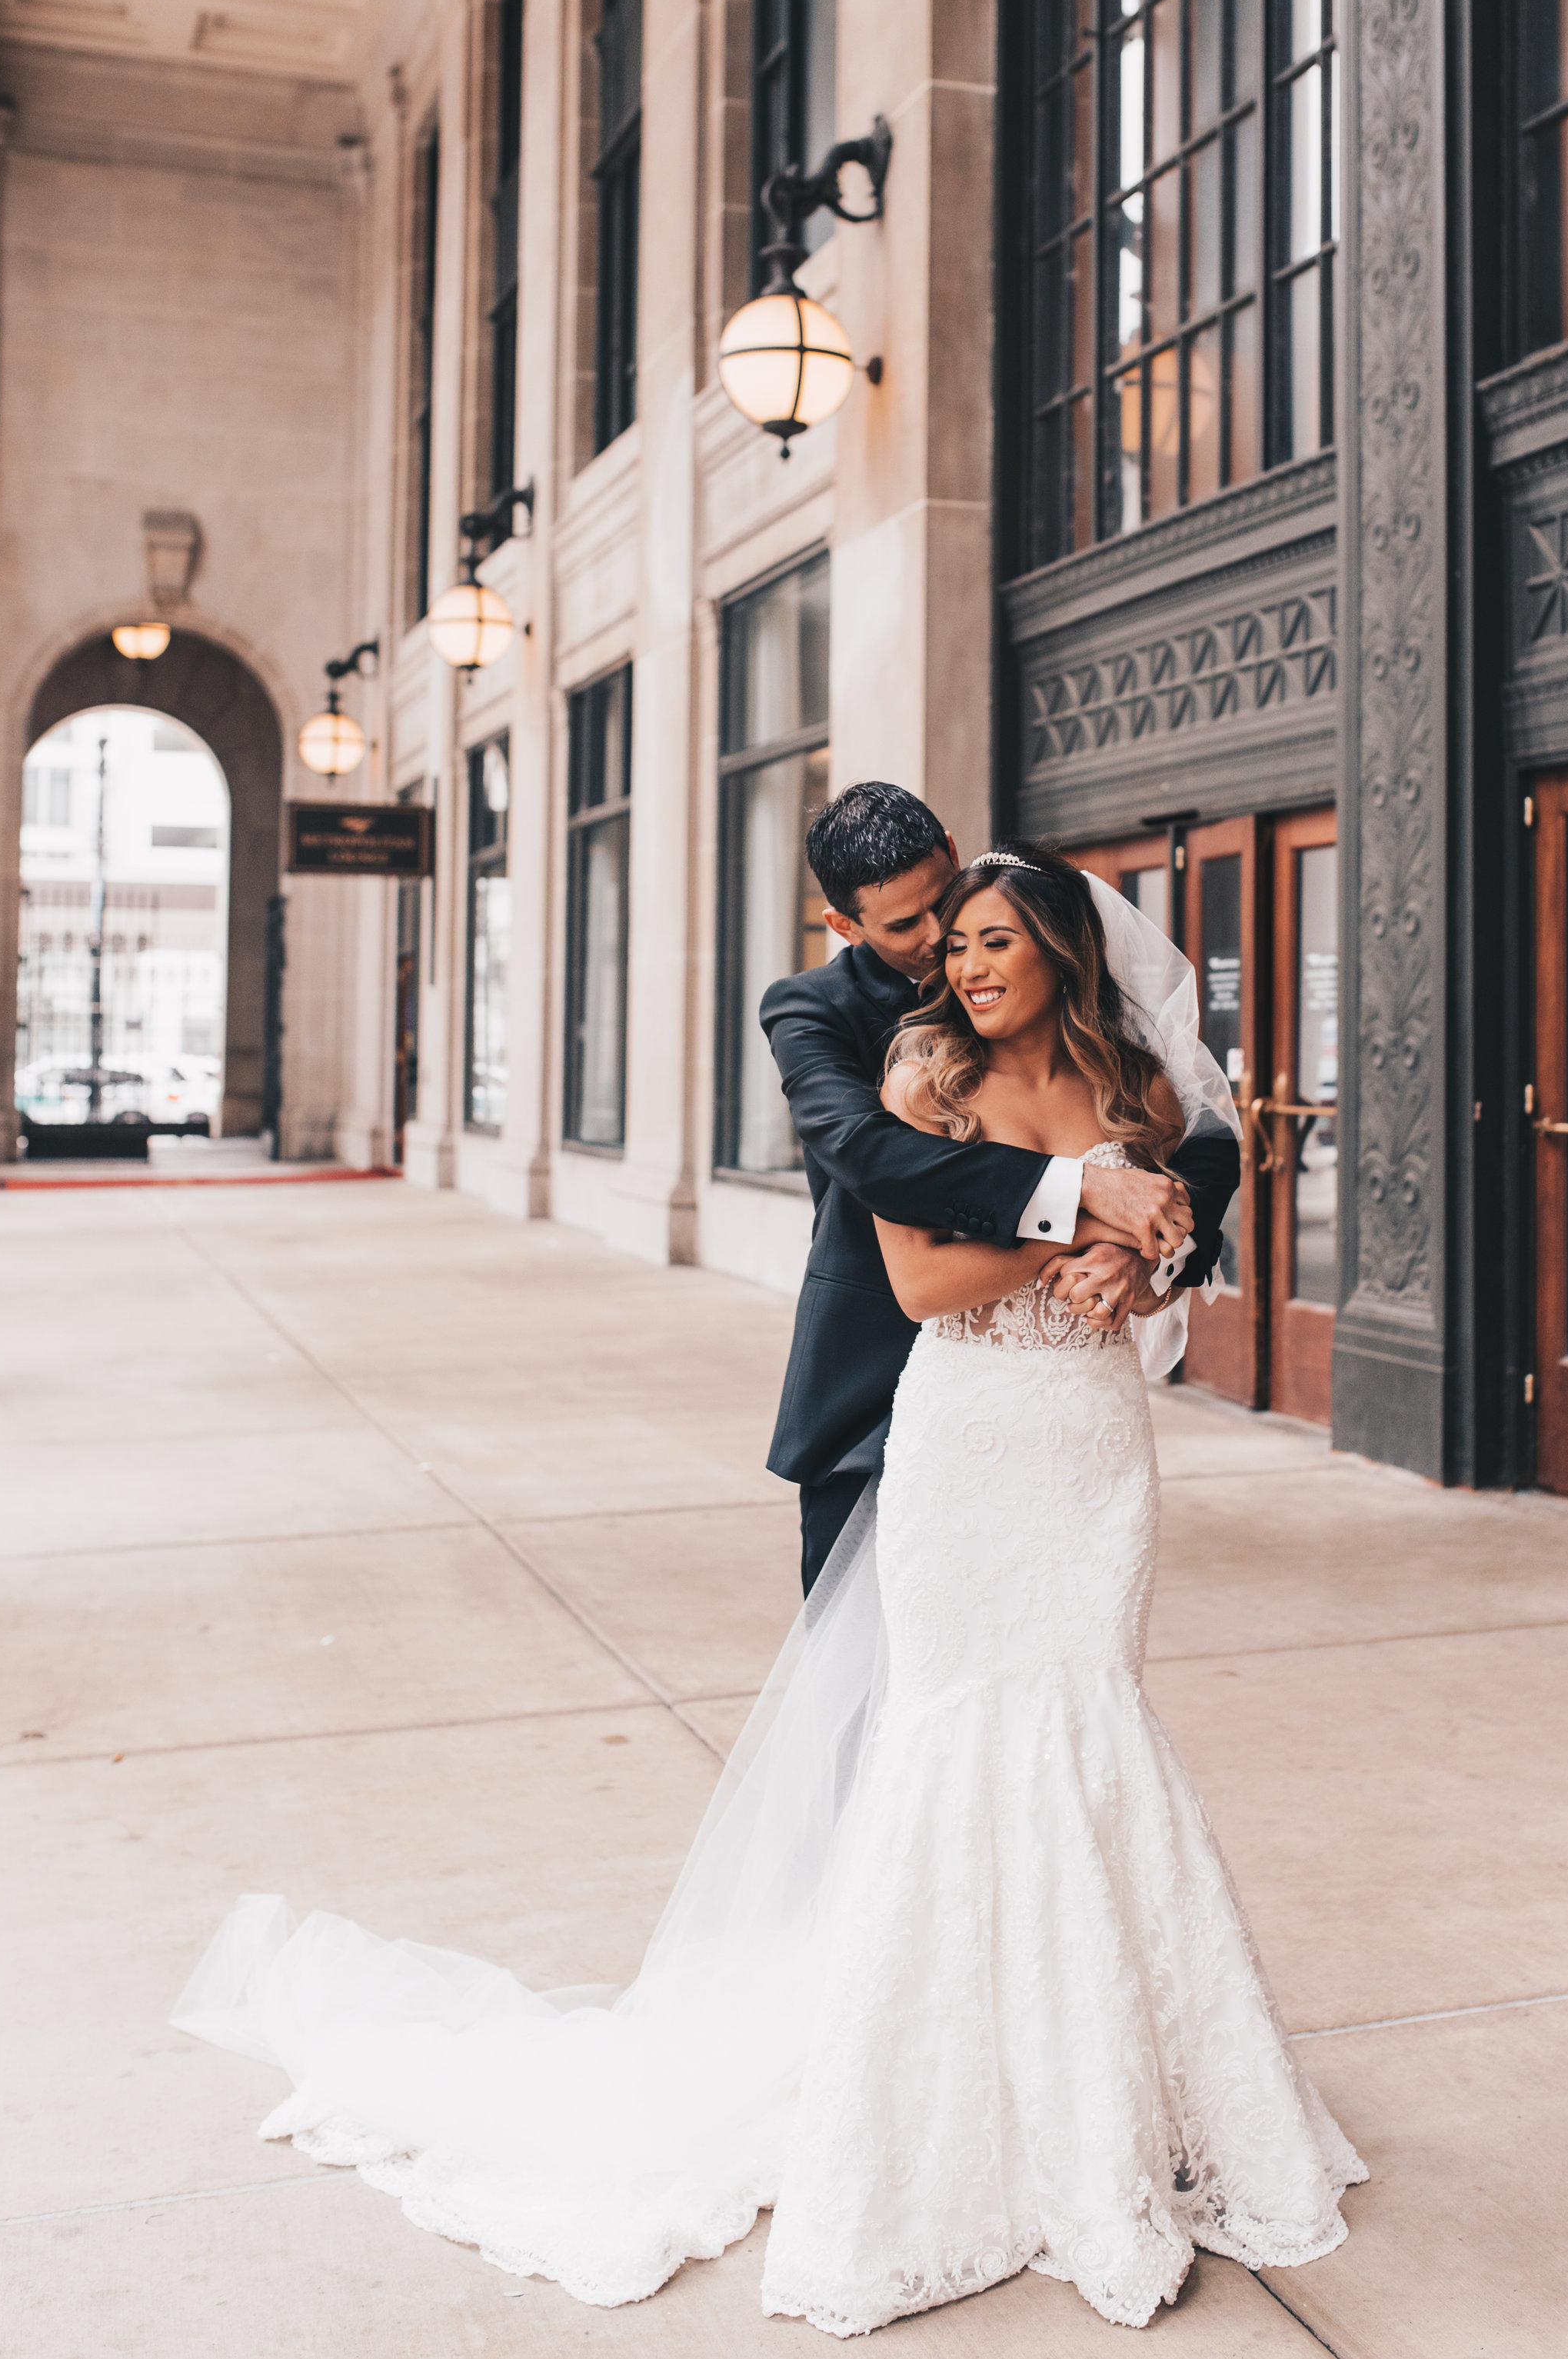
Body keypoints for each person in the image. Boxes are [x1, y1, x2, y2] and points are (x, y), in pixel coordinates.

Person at [170, 842, 1362, 2332]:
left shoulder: (1135, 1089)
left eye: (995, 939)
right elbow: (923, 1279)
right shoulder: (910, 1066)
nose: (966, 963)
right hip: (964, 1446)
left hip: (1091, 1459)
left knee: (1088, 1725)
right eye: (951, 941)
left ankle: (1116, 2085)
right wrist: (1076, 1220)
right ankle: (941, 2095)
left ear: (1063, 951)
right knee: (950, 1741)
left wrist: (1147, 1260)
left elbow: (1195, 1180)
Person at [762, 783, 1241, 1591]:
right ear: (845, 926)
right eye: (904, 927)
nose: (937, 945)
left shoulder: (1074, 996)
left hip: (1068, 1407)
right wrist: (1087, 1198)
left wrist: (1147, 1249)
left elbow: (1204, 1133)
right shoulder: (814, 1011)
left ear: (952, 848)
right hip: (872, 1372)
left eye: (939, 907)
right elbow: (870, 1154)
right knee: (865, 1672)